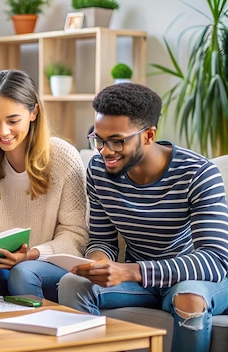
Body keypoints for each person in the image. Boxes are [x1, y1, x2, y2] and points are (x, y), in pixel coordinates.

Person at [58, 83, 228, 352]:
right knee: (73, 283)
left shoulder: (198, 173)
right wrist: (97, 264)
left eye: (117, 140)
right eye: (98, 139)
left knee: (189, 298)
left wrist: (131, 270)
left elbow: (215, 260)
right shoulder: (99, 170)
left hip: (192, 279)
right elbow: (103, 240)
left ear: (149, 135)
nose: (104, 151)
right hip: (139, 280)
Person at [0, 69, 88, 301]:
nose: (3, 131)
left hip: (47, 264)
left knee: (23, 273)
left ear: (34, 112)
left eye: (13, 120)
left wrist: (31, 254)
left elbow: (76, 236)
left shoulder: (63, 157)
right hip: (1, 263)